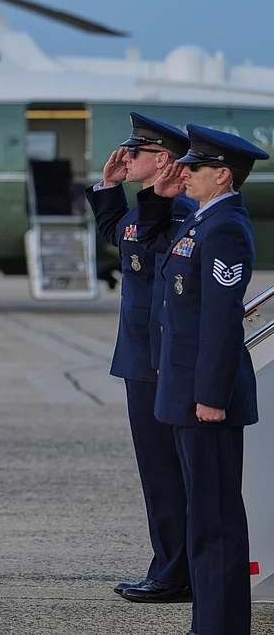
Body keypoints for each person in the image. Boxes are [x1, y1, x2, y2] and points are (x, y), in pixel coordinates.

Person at [136, 123, 268, 635]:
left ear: (223, 175)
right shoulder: (200, 220)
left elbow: (221, 317)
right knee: (202, 517)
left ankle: (221, 627)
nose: (184, 172)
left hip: (204, 397)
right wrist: (159, 196)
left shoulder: (225, 227)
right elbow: (151, 249)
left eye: (195, 166)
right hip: (184, 389)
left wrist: (212, 394)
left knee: (215, 519)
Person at [84, 113, 194, 604]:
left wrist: (152, 200)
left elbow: (152, 243)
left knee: (169, 472)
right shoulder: (144, 211)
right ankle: (170, 567)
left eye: (136, 152)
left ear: (164, 160)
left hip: (159, 358)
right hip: (140, 357)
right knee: (157, 472)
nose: (125, 158)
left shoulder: (178, 212)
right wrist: (108, 187)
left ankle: (175, 574)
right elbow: (121, 236)